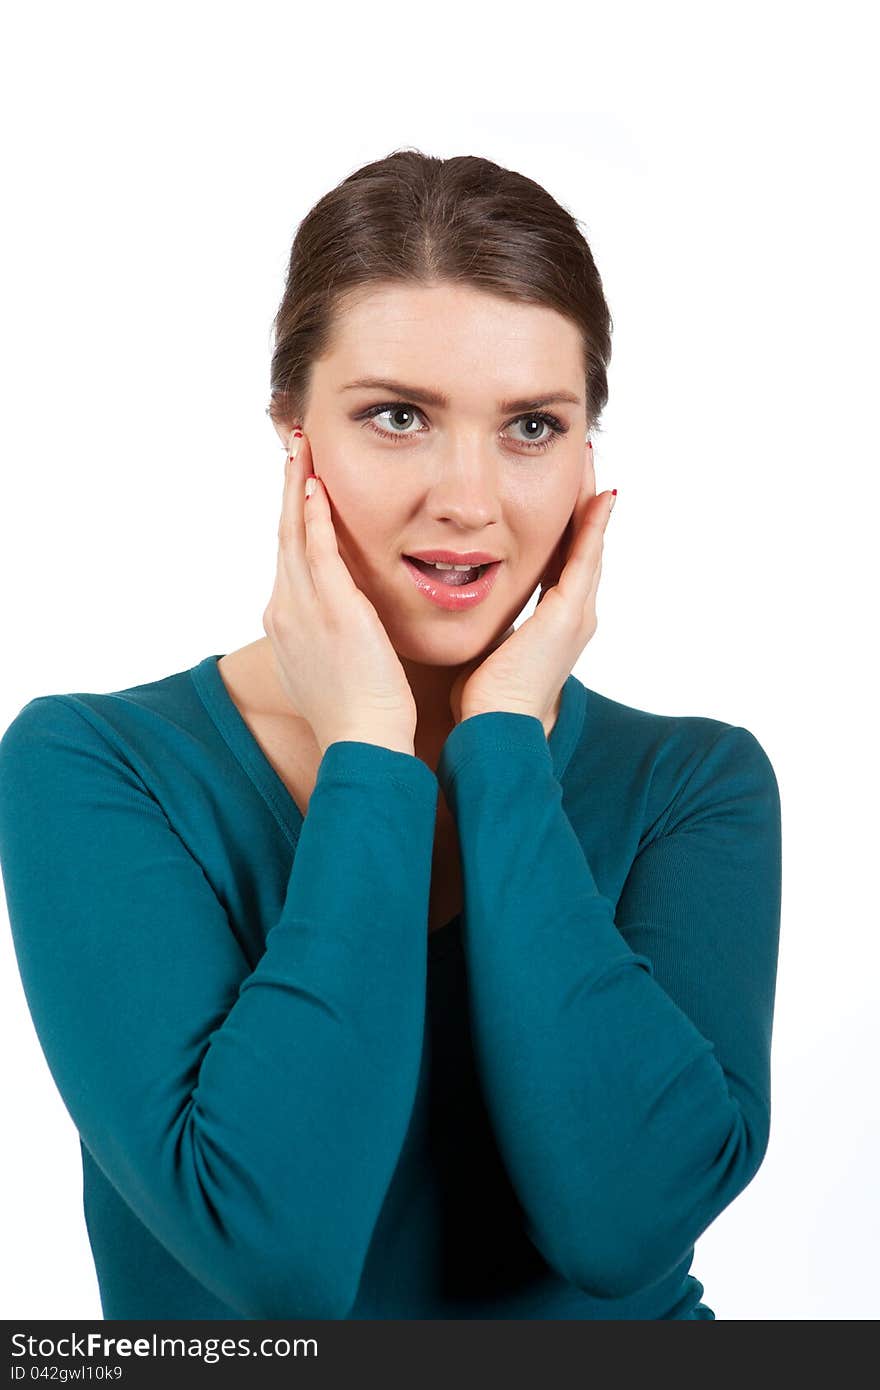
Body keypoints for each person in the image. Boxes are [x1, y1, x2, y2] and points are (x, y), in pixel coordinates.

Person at [0, 149, 781, 1321]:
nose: (467, 497)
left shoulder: (692, 784)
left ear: (586, 456)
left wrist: (504, 744)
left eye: (530, 426)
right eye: (398, 417)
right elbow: (274, 1255)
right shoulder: (98, 768)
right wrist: (369, 746)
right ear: (291, 428)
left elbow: (621, 1225)